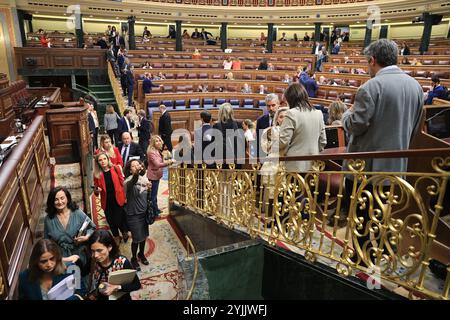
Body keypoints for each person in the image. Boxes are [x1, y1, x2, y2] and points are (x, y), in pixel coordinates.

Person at [340, 39, 423, 263]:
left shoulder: (371, 86)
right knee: (384, 211)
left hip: (365, 169)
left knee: (361, 214)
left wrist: (345, 116)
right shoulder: (415, 87)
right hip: (396, 167)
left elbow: (356, 124)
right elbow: (415, 128)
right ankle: (385, 251)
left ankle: (360, 255)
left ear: (373, 60)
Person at [44, 187, 96, 275]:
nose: (60, 202)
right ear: (52, 202)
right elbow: (46, 241)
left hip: (80, 255)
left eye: (62, 198)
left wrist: (86, 237)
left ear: (67, 198)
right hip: (62, 258)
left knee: (81, 283)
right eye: (56, 199)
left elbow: (92, 227)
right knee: (68, 283)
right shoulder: (48, 220)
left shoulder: (77, 212)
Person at [279, 83, 327, 173]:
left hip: (295, 165)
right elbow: (323, 141)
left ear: (290, 99)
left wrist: (271, 147)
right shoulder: (318, 113)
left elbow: (283, 141)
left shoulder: (291, 113)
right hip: (313, 164)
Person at [19, 239, 85, 300]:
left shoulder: (72, 269)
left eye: (52, 259)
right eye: (43, 261)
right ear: (36, 261)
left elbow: (81, 293)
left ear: (57, 256)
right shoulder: (24, 277)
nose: (49, 265)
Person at [88, 230, 141, 300]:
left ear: (109, 247)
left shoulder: (122, 262)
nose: (95, 255)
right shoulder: (94, 260)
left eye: (99, 250)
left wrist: (116, 287)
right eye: (93, 251)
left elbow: (137, 285)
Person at [259, 106, 289, 223]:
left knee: (284, 194)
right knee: (272, 195)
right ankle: (271, 219)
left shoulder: (292, 131)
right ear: (277, 119)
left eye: (286, 117)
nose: (283, 119)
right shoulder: (270, 131)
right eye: (281, 117)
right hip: (273, 164)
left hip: (287, 165)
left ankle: (282, 220)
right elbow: (265, 148)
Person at [93, 153, 128, 245]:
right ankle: (116, 236)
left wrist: (126, 197)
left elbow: (123, 183)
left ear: (108, 159)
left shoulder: (116, 168)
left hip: (118, 198)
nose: (103, 161)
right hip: (106, 200)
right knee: (110, 220)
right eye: (100, 160)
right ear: (98, 163)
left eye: (104, 159)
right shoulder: (97, 174)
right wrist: (97, 190)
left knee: (119, 218)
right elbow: (96, 191)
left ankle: (124, 231)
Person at [123, 160, 151, 271]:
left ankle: (141, 254)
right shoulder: (128, 182)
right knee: (136, 238)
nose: (136, 166)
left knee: (144, 236)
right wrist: (136, 173)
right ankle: (134, 258)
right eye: (133, 166)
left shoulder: (144, 179)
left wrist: (149, 188)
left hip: (143, 213)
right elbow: (134, 181)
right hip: (133, 214)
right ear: (130, 170)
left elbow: (145, 195)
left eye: (137, 164)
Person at [147, 135, 174, 216]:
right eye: (156, 141)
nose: (158, 142)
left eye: (159, 140)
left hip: (157, 175)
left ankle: (156, 209)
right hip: (153, 176)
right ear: (153, 143)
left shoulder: (157, 150)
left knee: (154, 195)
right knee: (153, 196)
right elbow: (157, 164)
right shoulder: (151, 152)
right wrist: (169, 162)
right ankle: (154, 212)